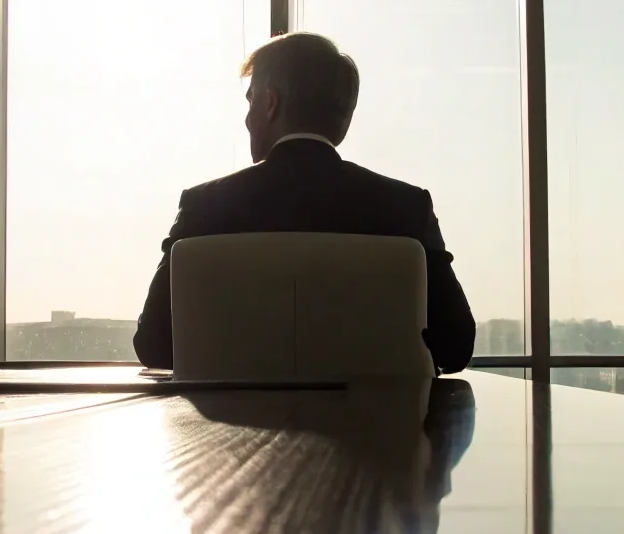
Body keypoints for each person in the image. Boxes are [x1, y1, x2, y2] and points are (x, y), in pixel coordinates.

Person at [132, 32, 475, 372]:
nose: (248, 118)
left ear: (270, 103)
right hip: (376, 425)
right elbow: (455, 346)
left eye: (251, 101)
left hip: (238, 422)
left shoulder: (205, 205)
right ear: (344, 119)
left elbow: (153, 344)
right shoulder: (406, 206)